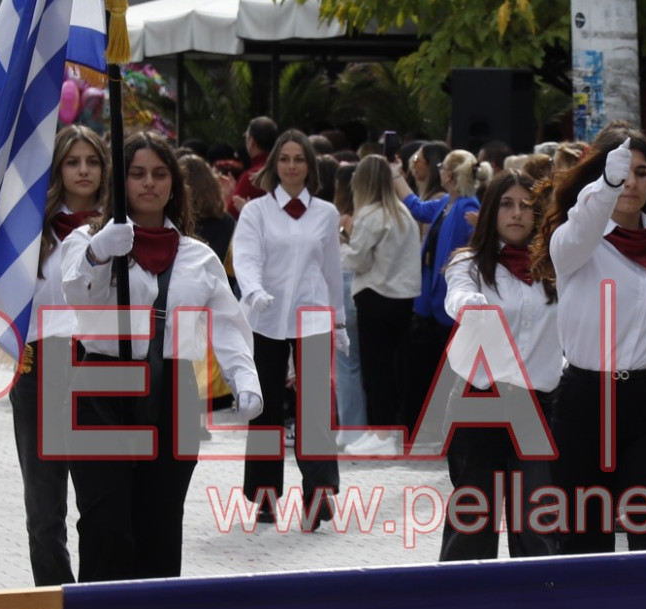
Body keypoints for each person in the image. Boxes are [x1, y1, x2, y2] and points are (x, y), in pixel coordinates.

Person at [61, 133, 261, 576]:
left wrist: (244, 377)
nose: (148, 183)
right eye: (136, 174)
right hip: (103, 387)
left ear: (175, 183)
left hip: (174, 391)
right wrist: (98, 255)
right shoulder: (86, 241)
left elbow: (227, 325)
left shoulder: (199, 257)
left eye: (159, 173)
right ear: (120, 182)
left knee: (160, 520)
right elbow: (76, 296)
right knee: (106, 520)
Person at [542, 133, 646, 553]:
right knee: (582, 534)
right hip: (587, 398)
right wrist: (605, 185)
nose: (631, 183)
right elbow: (583, 224)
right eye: (622, 174)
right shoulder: (575, 243)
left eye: (642, 173)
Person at [439, 171, 562, 560]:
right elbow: (457, 294)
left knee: (537, 524)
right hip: (479, 401)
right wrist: (471, 305)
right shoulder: (470, 263)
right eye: (507, 204)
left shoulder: (558, 267)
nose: (516, 214)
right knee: (472, 523)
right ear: (492, 210)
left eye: (526, 205)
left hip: (539, 405)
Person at [15, 125, 104, 609]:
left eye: (92, 160)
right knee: (45, 502)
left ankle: (98, 606)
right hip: (41, 363)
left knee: (99, 498)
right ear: (58, 170)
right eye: (72, 162)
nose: (84, 171)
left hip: (101, 365)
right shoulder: (31, 230)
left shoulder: (118, 226)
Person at [230, 129, 347, 530]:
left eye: (299, 159)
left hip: (312, 315)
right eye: (285, 158)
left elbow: (333, 271)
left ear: (310, 166)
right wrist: (255, 290)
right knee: (265, 410)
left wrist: (340, 319)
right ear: (274, 164)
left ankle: (320, 495)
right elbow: (245, 257)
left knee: (314, 409)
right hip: (266, 317)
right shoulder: (256, 212)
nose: (292, 166)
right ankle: (264, 496)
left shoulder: (326, 214)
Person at [342, 153, 421, 449]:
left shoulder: (370, 215)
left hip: (374, 297)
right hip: (404, 299)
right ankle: (388, 432)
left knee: (376, 369)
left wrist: (341, 245)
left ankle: (381, 434)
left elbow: (358, 260)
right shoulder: (403, 214)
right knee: (396, 368)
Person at [229, 115, 278, 210]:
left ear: (251, 141)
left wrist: (229, 194)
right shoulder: (282, 170)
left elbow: (229, 213)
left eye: (246, 137)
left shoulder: (252, 177)